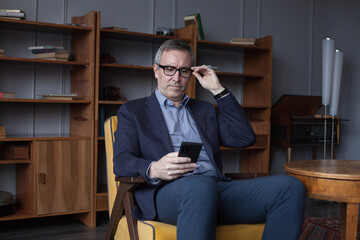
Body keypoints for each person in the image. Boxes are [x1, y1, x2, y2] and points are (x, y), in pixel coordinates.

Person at [114, 39, 305, 240]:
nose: (176, 78)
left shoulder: (205, 111)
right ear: (156, 70)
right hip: (167, 193)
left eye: (184, 71)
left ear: (191, 74)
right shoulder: (133, 111)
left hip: (216, 189)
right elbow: (121, 161)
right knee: (200, 185)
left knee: (290, 187)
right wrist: (154, 168)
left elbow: (244, 138)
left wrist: (218, 90)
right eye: (169, 69)